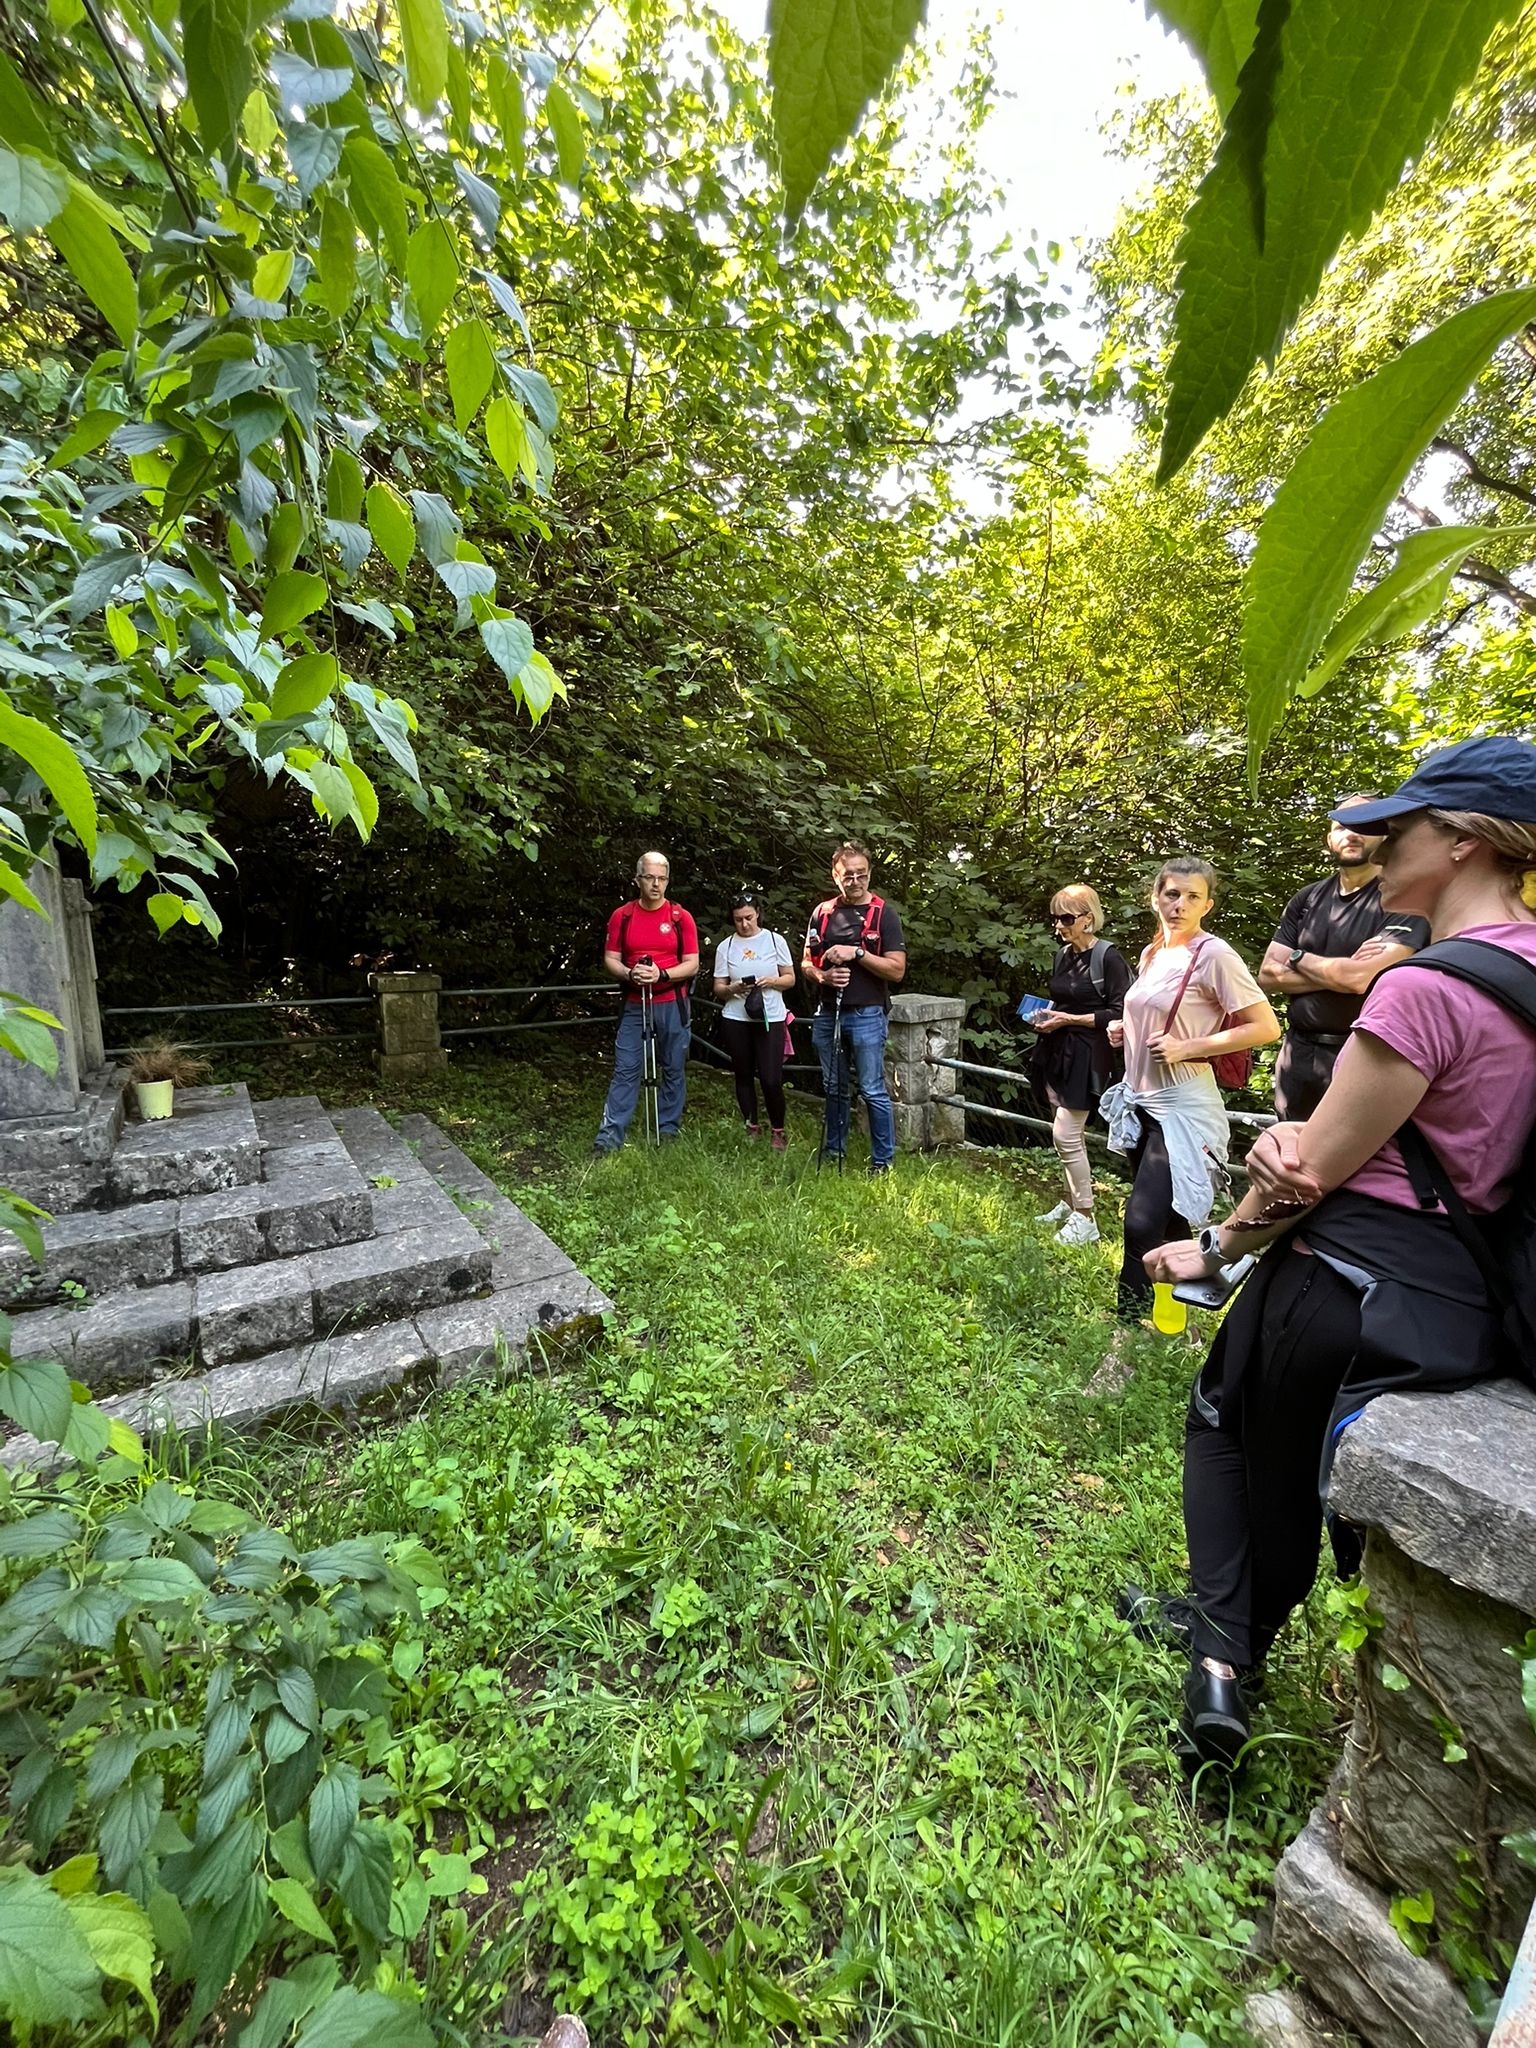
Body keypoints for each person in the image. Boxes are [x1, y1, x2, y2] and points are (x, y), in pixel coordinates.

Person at [1137, 736, 1536, 1769]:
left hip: (1345, 1276)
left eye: (1400, 827)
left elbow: (1311, 1172)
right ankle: (1235, 1636)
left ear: (1463, 841)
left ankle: (1222, 1659)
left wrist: (1219, 1245)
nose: (1377, 844)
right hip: (1465, 1292)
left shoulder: (1426, 988)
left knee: (1225, 1430)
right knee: (1293, 1473)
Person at [1096, 858, 1278, 1382]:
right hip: (1142, 1102)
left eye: (1192, 897)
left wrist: (1188, 1047)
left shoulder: (1213, 954)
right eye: (1171, 894)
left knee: (1140, 1223)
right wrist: (1123, 1031)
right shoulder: (1154, 952)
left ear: (1207, 905)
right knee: (1170, 1223)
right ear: (1155, 898)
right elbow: (1151, 1015)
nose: (1179, 905)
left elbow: (1265, 1026)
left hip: (1183, 1108)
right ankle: (1176, 1327)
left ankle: (1125, 1348)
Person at [1258, 796, 1429, 1118]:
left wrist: (1296, 957)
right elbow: (1267, 975)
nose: (1351, 833)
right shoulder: (1307, 899)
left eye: (1363, 825)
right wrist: (1337, 971)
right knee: (1287, 1142)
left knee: (1354, 1149)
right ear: (1329, 839)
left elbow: (1357, 979)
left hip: (1365, 1055)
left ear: (1384, 836)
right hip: (1297, 1055)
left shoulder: (1403, 898)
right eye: (1341, 827)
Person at [1030, 885, 1132, 1246]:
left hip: (1089, 1055)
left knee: (1066, 1134)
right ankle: (1070, 1202)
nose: (1059, 925)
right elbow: (1063, 1001)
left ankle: (1085, 1218)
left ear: (1088, 918)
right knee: (1064, 1132)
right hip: (1058, 1050)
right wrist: (1045, 1015)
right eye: (1055, 918)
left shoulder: (1109, 958)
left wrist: (1069, 1020)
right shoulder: (1063, 955)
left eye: (1067, 918)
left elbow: (1121, 1012)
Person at [801, 842, 907, 1173]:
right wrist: (823, 976)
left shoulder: (884, 914)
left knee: (872, 1089)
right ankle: (834, 1151)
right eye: (848, 875)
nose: (856, 881)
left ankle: (882, 1162)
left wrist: (857, 954)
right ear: (836, 876)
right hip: (827, 1012)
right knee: (833, 1088)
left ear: (870, 874)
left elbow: (897, 970)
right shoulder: (822, 913)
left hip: (867, 1014)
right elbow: (806, 962)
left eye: (862, 874)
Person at [593, 852, 699, 1153]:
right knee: (626, 1068)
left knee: (673, 1067)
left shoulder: (680, 917)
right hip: (634, 1002)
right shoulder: (623, 916)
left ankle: (668, 1131)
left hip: (672, 1002)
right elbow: (611, 958)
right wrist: (629, 973)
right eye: (650, 877)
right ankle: (608, 1137)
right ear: (637, 879)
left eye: (662, 878)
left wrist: (662, 974)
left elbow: (692, 963)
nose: (656, 884)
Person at [713, 889, 796, 1148]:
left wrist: (771, 981)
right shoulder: (725, 946)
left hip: (770, 1016)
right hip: (736, 1016)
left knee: (771, 1078)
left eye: (748, 917)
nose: (744, 924)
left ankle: (778, 1130)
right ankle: (751, 1126)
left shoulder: (774, 941)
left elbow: (790, 979)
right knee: (743, 1074)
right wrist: (733, 988)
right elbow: (718, 988)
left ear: (758, 914)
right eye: (738, 919)